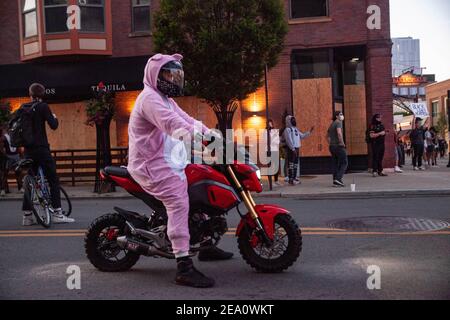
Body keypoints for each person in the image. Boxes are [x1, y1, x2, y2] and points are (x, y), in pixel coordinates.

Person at [127, 53, 232, 289]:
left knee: (203, 186)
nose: (174, 80)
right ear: (155, 75)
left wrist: (213, 136)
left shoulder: (165, 99)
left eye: (176, 75)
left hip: (170, 160)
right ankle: (184, 266)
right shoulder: (149, 100)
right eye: (169, 75)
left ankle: (205, 244)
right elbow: (174, 125)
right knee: (179, 202)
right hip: (152, 165)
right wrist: (204, 141)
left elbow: (188, 120)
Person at [20, 83, 74, 225]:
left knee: (30, 183)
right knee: (53, 180)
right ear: (42, 94)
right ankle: (57, 213)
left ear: (30, 94)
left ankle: (27, 216)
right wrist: (54, 117)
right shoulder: (43, 106)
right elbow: (54, 125)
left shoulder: (23, 107)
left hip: (28, 151)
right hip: (42, 149)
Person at [283, 115, 313, 185]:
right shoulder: (287, 130)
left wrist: (309, 132)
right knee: (291, 164)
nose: (294, 121)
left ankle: (294, 177)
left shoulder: (295, 129)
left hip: (297, 148)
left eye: (294, 119)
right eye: (292, 120)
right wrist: (292, 149)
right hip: (292, 149)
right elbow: (288, 140)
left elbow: (302, 136)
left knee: (295, 164)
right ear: (288, 121)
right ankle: (291, 179)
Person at [327, 111, 348, 187]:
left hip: (332, 147)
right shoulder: (338, 123)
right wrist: (342, 143)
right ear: (336, 116)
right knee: (344, 162)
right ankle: (338, 179)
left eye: (342, 114)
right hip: (338, 146)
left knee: (335, 164)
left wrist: (331, 143)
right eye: (340, 114)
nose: (342, 115)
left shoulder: (332, 124)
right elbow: (339, 133)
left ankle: (335, 180)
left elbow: (327, 136)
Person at [0, 128, 23, 194]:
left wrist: (21, 155)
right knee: (5, 173)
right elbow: (1, 146)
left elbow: (19, 146)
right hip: (8, 156)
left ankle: (20, 188)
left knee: (18, 172)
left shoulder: (16, 136)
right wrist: (5, 155)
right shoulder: (4, 137)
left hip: (16, 156)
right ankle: (4, 189)